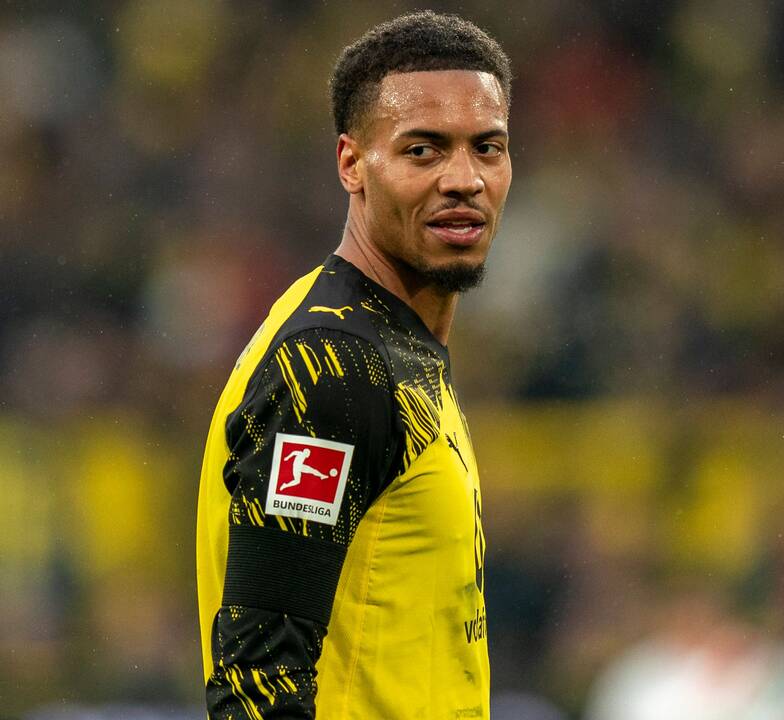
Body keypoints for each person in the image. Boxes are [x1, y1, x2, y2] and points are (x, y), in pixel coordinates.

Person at [195, 11, 513, 718]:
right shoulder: (335, 369)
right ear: (351, 164)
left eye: (487, 148)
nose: (465, 179)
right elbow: (258, 683)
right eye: (423, 151)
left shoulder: (387, 345)